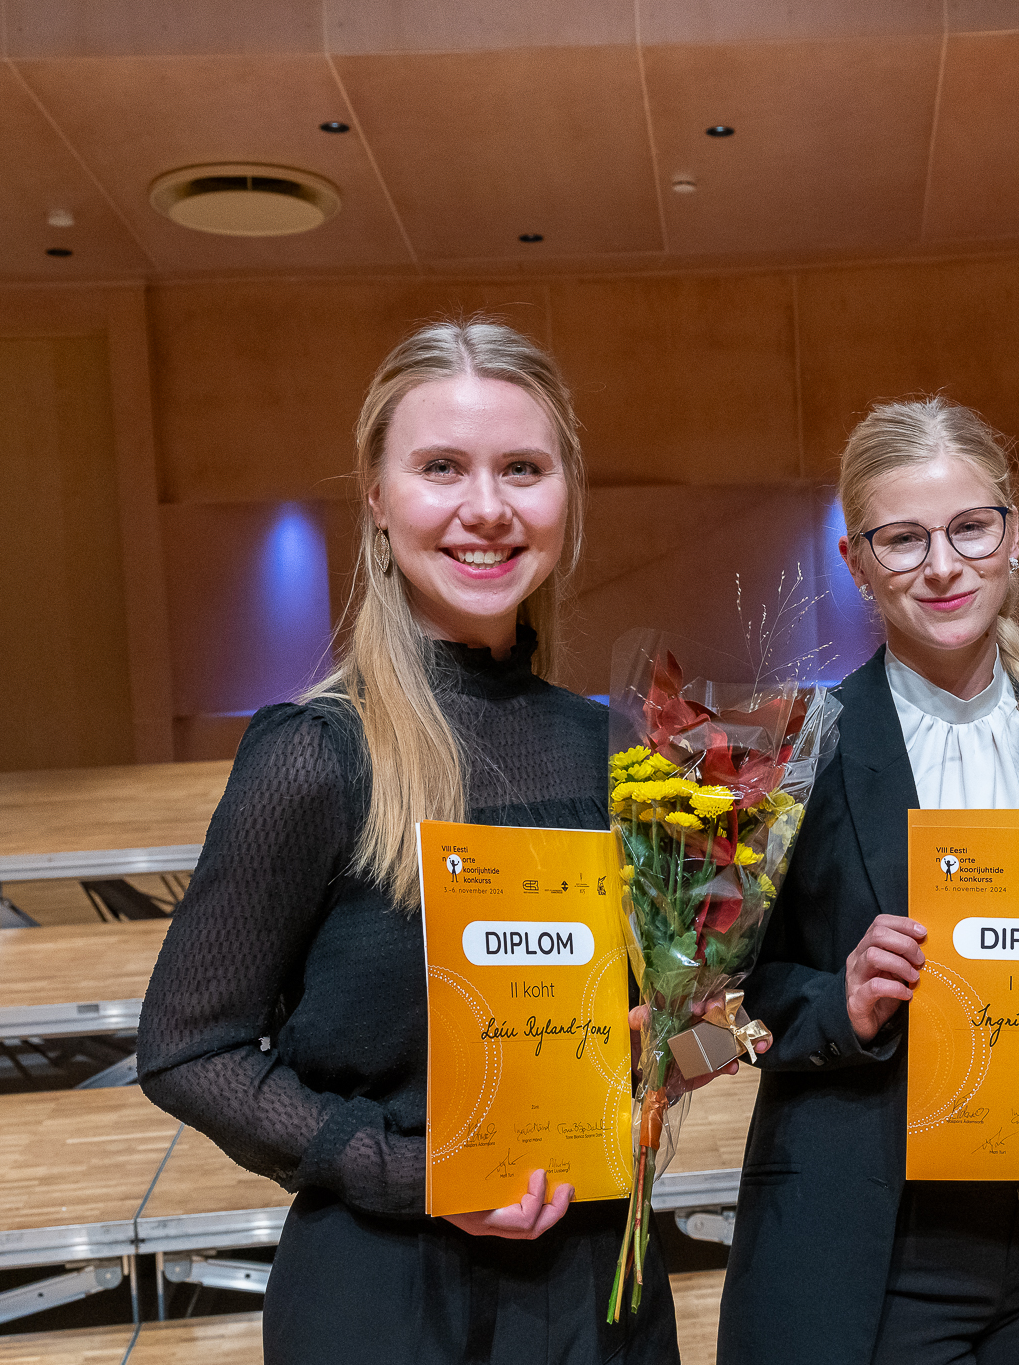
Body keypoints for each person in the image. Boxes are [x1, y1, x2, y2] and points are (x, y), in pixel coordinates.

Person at [137, 320, 694, 1364]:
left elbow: (636, 1031)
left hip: (598, 1293)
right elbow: (186, 1050)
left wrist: (683, 1034)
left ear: (565, 499)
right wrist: (411, 1172)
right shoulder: (316, 754)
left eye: (522, 469)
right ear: (378, 497)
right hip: (387, 1298)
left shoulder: (618, 753)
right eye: (442, 467)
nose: (486, 508)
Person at [718, 397, 1019, 1365]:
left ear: (1011, 535)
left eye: (970, 527)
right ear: (855, 563)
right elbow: (726, 1000)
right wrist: (835, 1002)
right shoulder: (798, 750)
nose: (942, 565)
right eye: (901, 540)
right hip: (864, 1248)